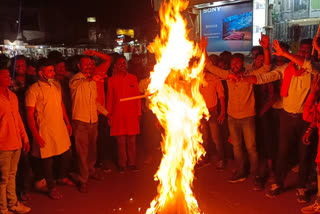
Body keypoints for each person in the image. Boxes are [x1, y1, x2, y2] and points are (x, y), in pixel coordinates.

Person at [240, 38, 316, 203]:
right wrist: (242, 79)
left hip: (306, 119)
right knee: (282, 152)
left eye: (306, 50)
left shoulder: (314, 70)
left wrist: (284, 53)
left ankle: (301, 187)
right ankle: (278, 183)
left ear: (312, 52)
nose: (303, 53)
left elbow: (308, 65)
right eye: (301, 50)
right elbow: (264, 77)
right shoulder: (285, 68)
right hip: (286, 116)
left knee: (304, 155)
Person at [200, 33, 271, 189]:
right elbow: (209, 66)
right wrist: (203, 50)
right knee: (237, 147)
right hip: (232, 118)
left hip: (248, 117)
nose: (235, 65)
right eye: (233, 63)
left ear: (242, 64)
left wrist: (266, 49)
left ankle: (255, 175)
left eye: (238, 63)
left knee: (251, 147)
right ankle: (240, 171)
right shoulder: (227, 75)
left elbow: (266, 67)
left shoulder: (250, 75)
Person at [26, 59, 73, 200]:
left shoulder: (56, 85)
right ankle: (51, 187)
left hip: (59, 127)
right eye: (50, 71)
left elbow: (61, 104)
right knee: (47, 160)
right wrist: (36, 135)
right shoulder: (33, 89)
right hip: (45, 130)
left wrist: (67, 122)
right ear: (41, 73)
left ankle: (62, 177)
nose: (53, 73)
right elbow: (29, 115)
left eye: (53, 70)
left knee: (67, 154)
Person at [69, 55, 109, 193]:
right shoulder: (75, 79)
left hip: (93, 121)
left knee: (92, 150)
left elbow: (94, 102)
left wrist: (106, 113)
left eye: (90, 64)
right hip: (80, 121)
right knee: (82, 152)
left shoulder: (92, 81)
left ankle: (90, 171)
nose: (88, 66)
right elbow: (79, 85)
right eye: (85, 64)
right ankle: (83, 179)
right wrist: (92, 78)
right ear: (79, 66)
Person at [0, 68, 31, 213]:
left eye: (8, 75)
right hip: (3, 144)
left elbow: (18, 118)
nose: (8, 77)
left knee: (12, 174)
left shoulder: (12, 96)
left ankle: (13, 203)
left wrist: (24, 137)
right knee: (3, 178)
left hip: (16, 142)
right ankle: (3, 207)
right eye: (4, 75)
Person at [107, 56, 141, 173]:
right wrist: (109, 114)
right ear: (116, 66)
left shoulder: (133, 78)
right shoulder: (112, 80)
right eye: (120, 63)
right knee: (120, 141)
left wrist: (138, 113)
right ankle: (122, 163)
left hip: (131, 115)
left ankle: (132, 163)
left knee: (131, 141)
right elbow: (110, 98)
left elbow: (138, 97)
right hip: (118, 114)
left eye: (124, 62)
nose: (122, 64)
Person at [199, 55, 226, 170]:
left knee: (216, 138)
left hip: (213, 111)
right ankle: (205, 158)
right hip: (200, 113)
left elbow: (221, 96)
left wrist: (223, 111)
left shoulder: (215, 78)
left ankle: (221, 159)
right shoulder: (196, 78)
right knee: (203, 138)